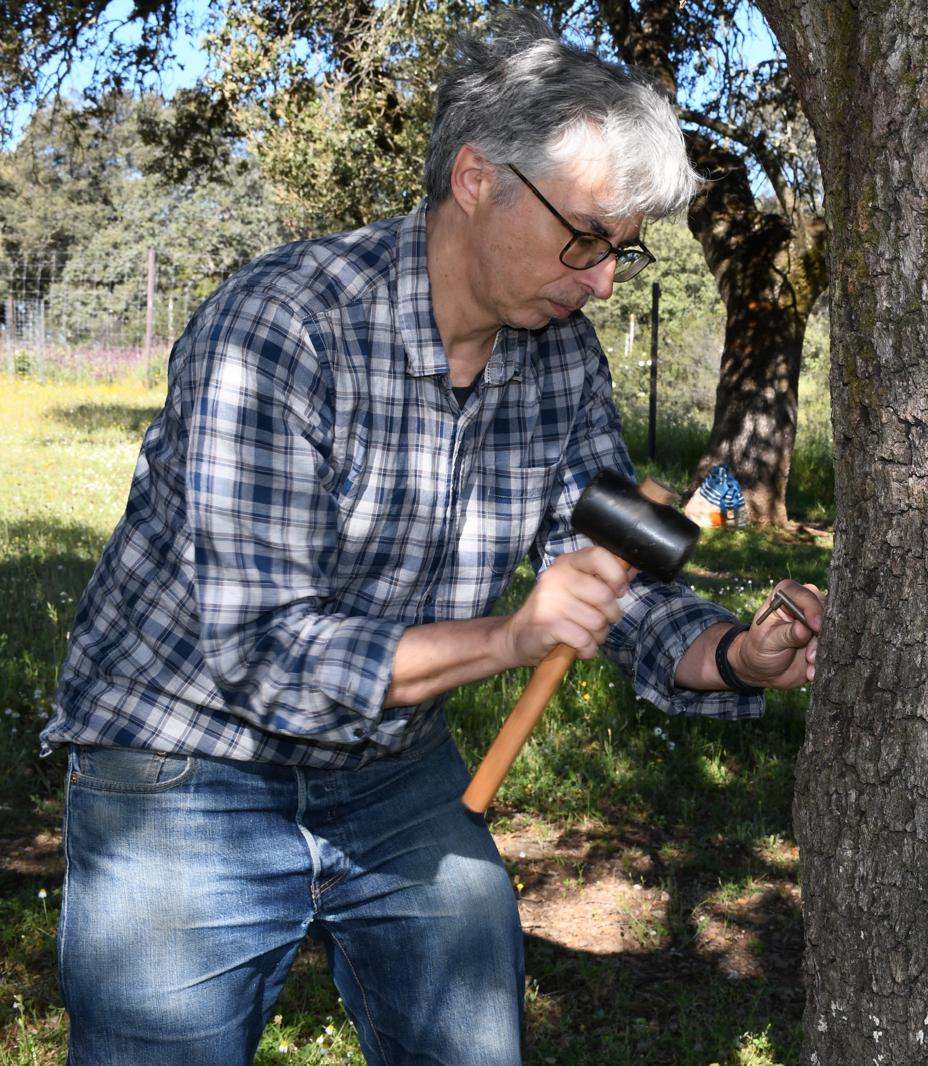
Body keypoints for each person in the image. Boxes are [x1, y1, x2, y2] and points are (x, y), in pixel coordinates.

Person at [39, 11, 823, 1064]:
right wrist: (508, 638)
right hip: (190, 764)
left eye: (619, 254)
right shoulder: (284, 327)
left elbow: (607, 576)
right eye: (584, 237)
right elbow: (267, 654)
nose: (598, 280)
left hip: (392, 769)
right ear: (474, 179)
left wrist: (731, 652)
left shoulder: (560, 359)